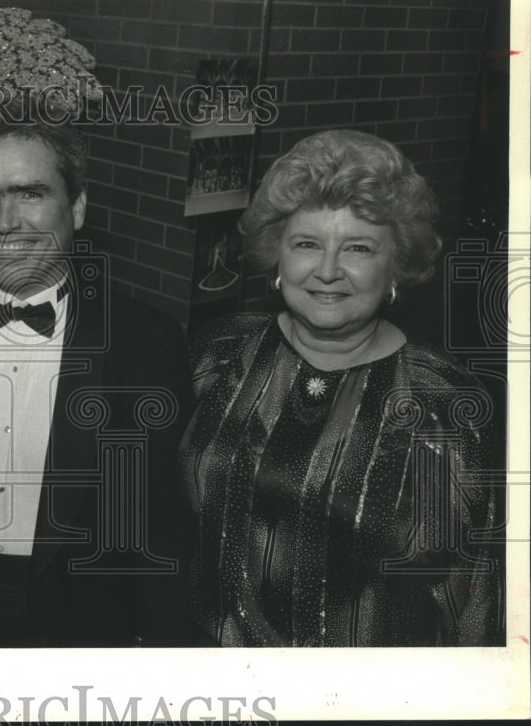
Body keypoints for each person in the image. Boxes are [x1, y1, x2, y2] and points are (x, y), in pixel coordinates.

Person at [179, 129, 502, 647]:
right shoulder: (218, 355)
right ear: (277, 260)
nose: (327, 271)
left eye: (357, 247)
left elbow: (479, 596)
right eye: (307, 244)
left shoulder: (446, 403)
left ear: (395, 266)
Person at [0, 122, 195, 647]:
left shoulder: (146, 344)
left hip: (82, 635)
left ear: (77, 208)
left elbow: (161, 535)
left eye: (31, 194)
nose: (6, 222)